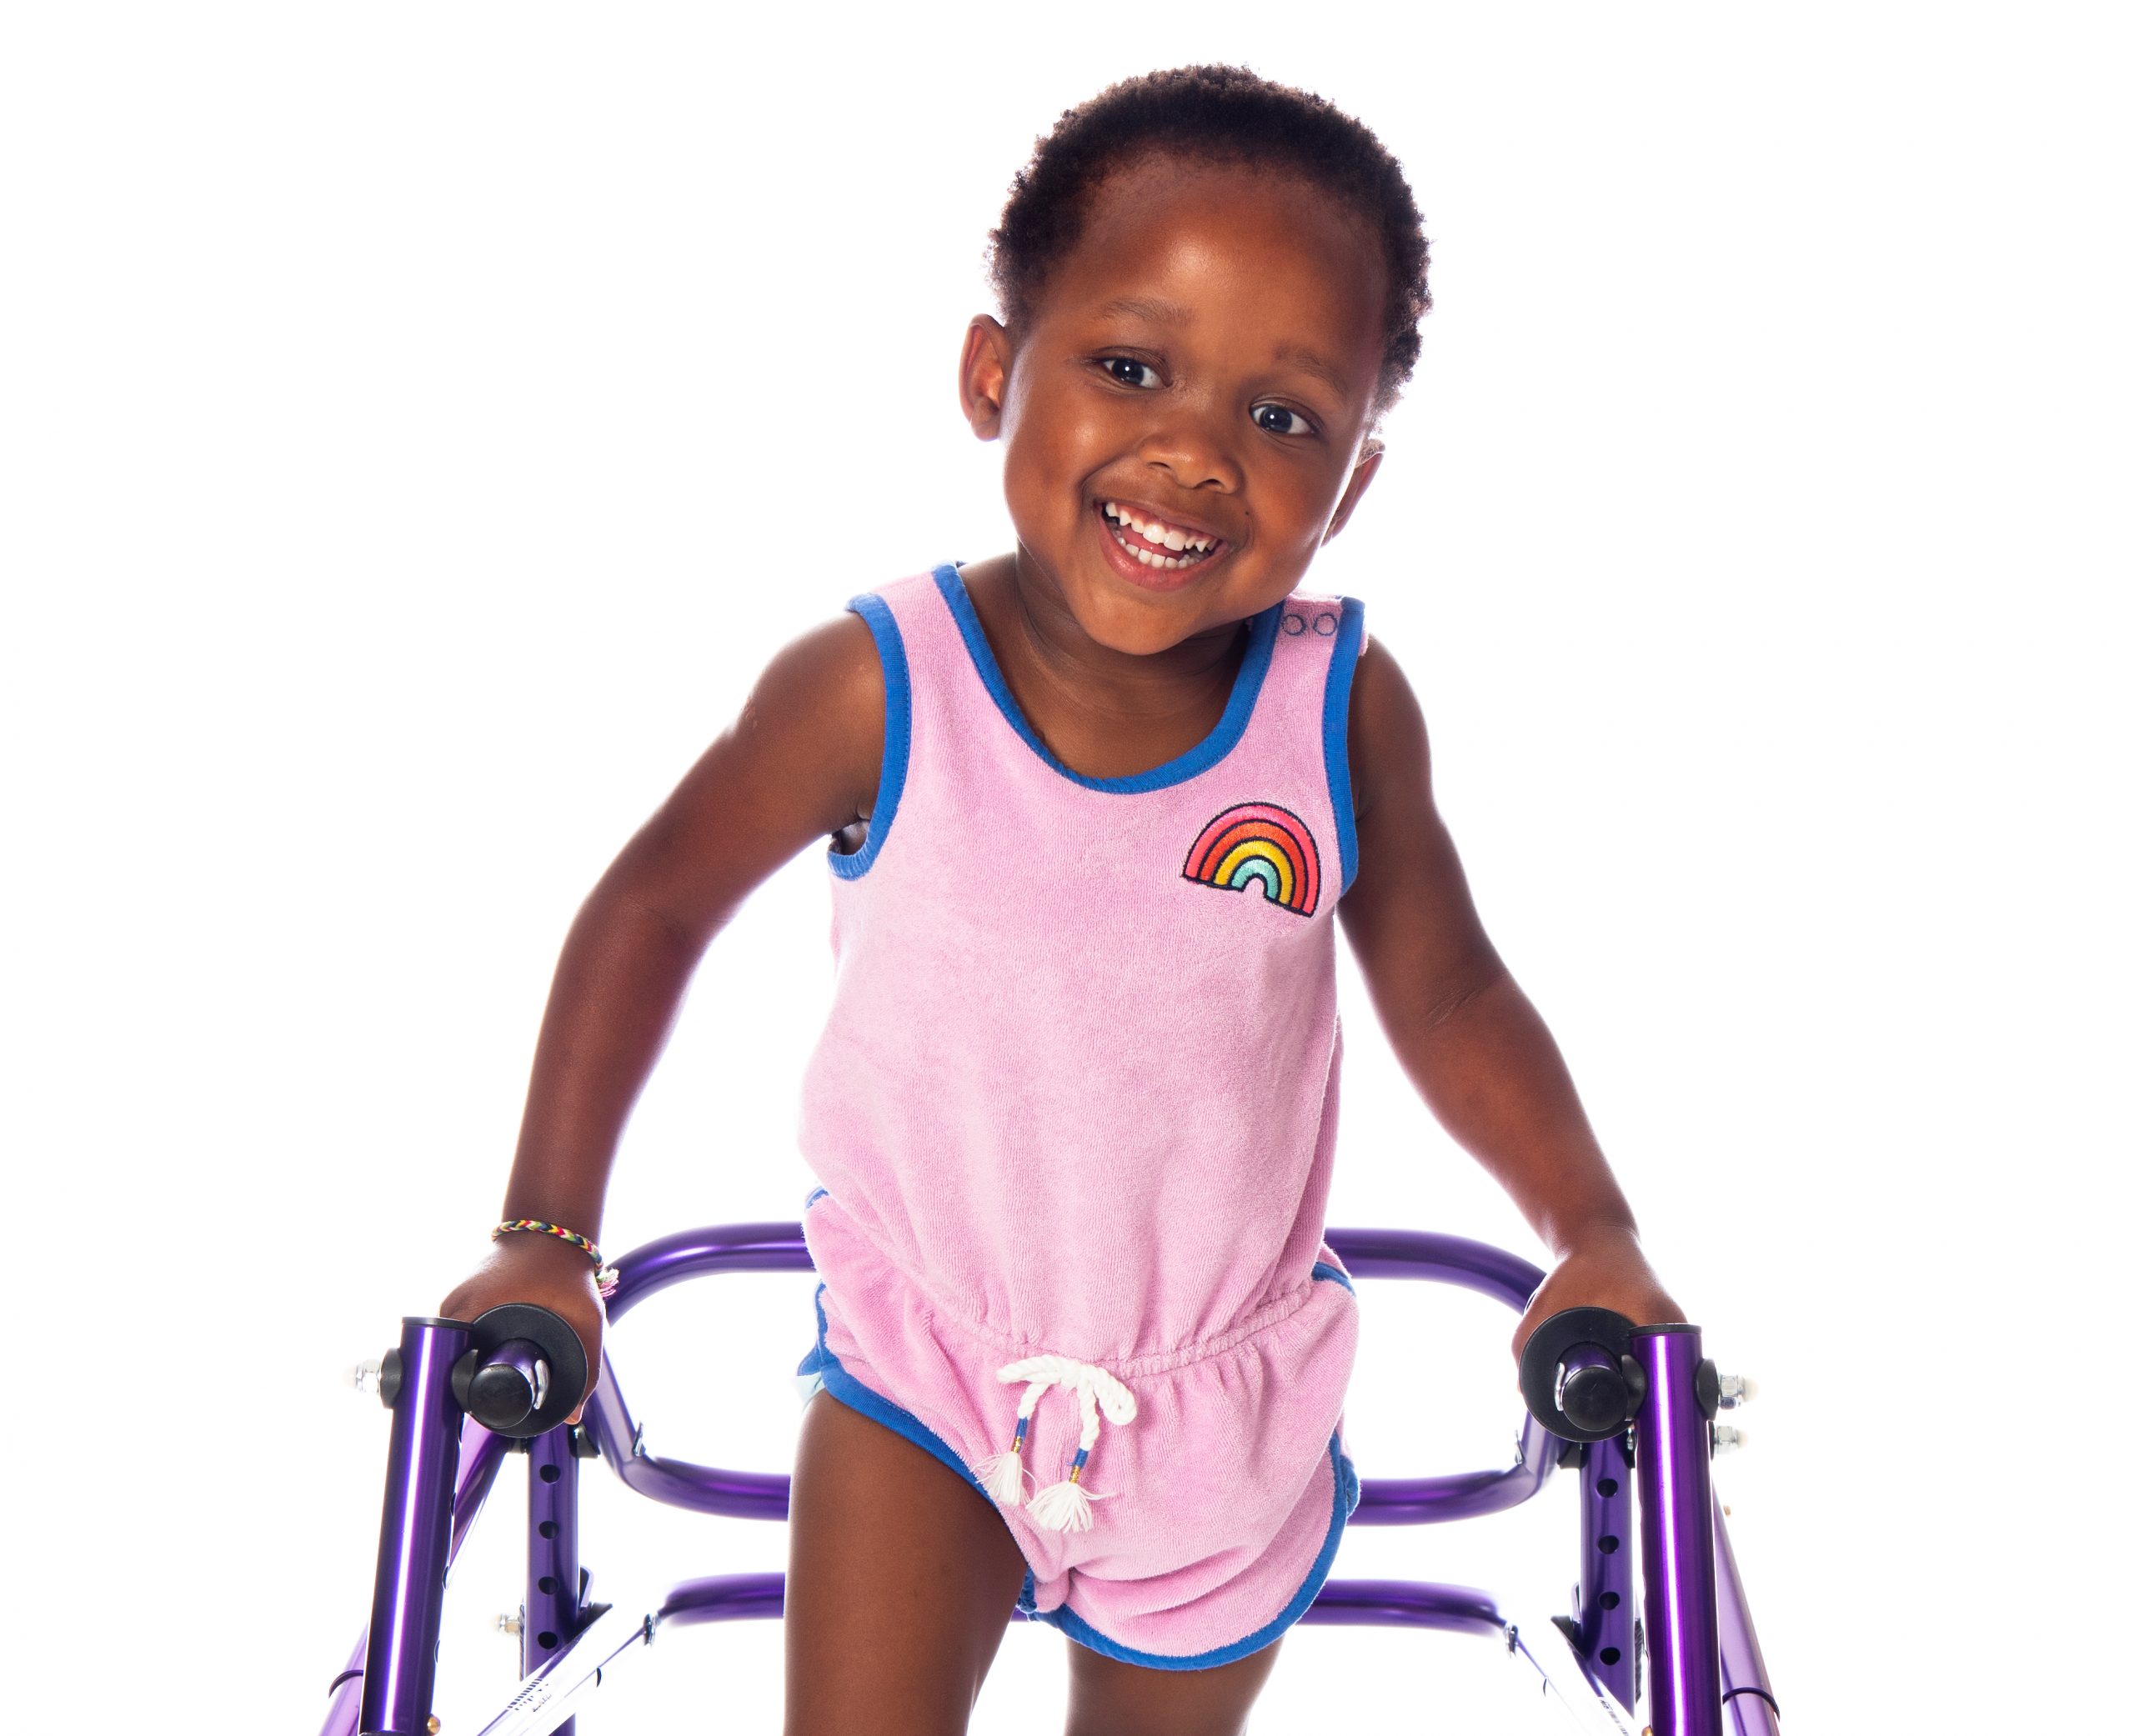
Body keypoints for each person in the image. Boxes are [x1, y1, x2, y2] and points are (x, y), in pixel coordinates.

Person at [440, 64, 1683, 1736]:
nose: (1190, 453)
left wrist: (1587, 1227)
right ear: (989, 374)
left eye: (1281, 416)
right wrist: (546, 1234)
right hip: (928, 1361)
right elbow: (653, 907)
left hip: (1217, 1395)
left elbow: (1449, 994)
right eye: (1126, 368)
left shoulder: (1337, 710)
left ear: (1352, 484)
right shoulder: (880, 686)